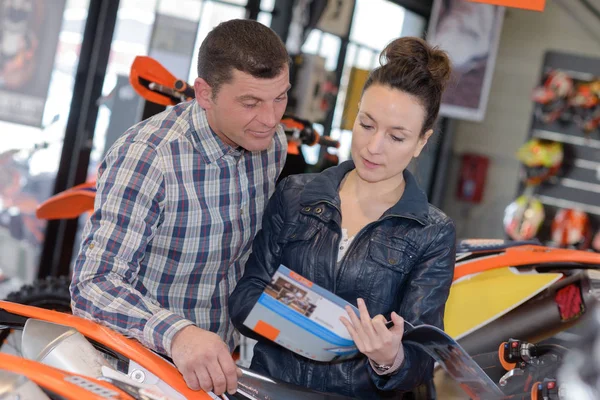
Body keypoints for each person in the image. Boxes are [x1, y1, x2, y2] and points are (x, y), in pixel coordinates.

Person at [70, 19, 290, 397]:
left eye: (281, 97)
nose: (271, 119)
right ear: (204, 94)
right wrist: (179, 334)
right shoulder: (150, 158)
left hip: (220, 370)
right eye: (250, 103)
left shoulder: (270, 144)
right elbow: (94, 285)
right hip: (138, 370)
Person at [229, 36, 455, 399]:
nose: (373, 146)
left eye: (397, 137)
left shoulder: (431, 233)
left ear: (421, 142)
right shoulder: (296, 195)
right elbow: (244, 299)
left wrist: (389, 358)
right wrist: (314, 323)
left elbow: (419, 361)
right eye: (366, 125)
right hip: (268, 390)